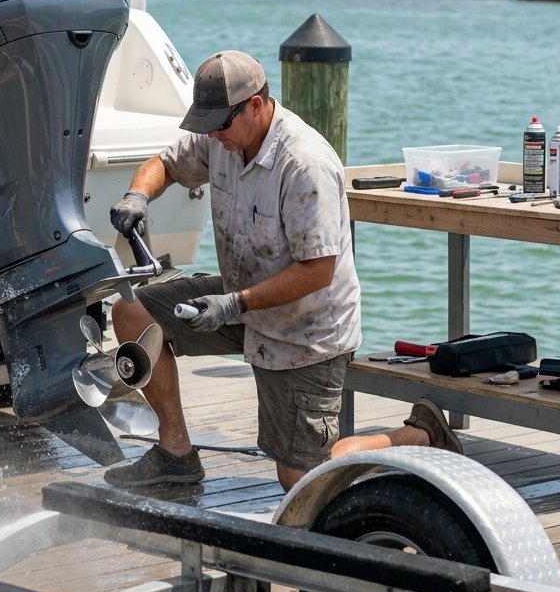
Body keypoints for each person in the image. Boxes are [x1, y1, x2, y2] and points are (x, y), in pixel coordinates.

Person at [104, 50, 460, 493]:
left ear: (256, 104)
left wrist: (234, 303)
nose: (213, 134)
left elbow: (317, 272)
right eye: (207, 124)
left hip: (305, 328)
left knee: (302, 480)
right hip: (239, 300)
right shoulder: (221, 137)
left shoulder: (304, 163)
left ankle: (421, 436)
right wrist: (138, 195)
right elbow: (166, 164)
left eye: (221, 123)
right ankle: (175, 453)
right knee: (133, 313)